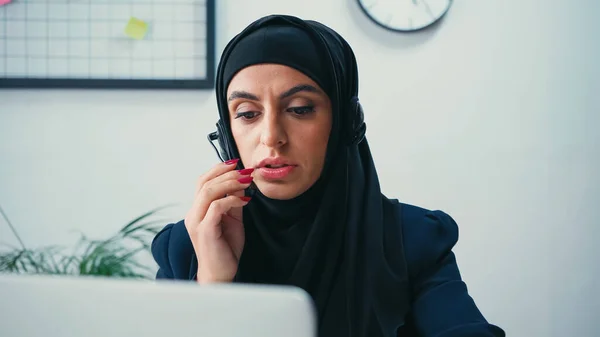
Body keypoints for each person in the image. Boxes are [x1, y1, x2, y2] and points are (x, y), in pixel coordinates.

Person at [151, 14, 505, 337]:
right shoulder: (188, 247)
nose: (271, 136)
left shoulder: (411, 240)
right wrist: (212, 288)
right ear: (226, 132)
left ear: (343, 124)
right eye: (246, 113)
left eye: (300, 109)